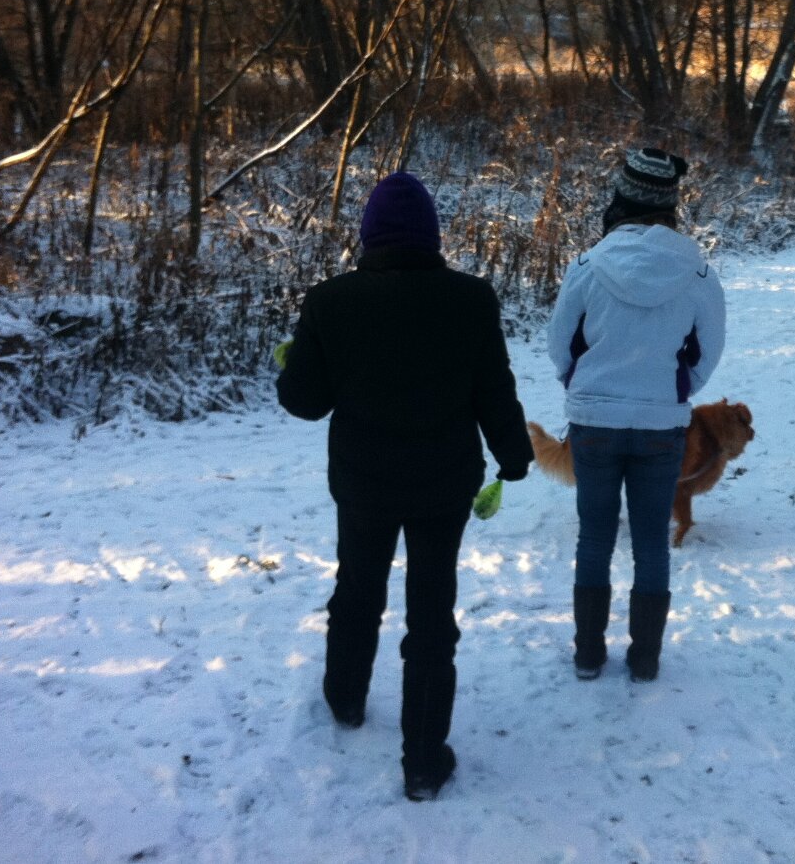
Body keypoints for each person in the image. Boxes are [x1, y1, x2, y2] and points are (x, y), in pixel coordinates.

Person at [277, 170, 533, 801]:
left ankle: (345, 699)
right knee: (431, 612)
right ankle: (422, 760)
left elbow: (305, 402)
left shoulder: (330, 301)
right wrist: (513, 455)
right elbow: (493, 388)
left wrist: (295, 362)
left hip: (363, 483)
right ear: (431, 236)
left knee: (357, 588)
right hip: (443, 485)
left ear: (369, 236)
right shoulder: (471, 299)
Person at [545, 147, 726, 681]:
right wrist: (674, 392)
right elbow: (707, 354)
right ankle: (645, 658)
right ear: (671, 205)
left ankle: (588, 655)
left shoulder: (587, 267)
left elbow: (560, 345)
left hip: (594, 424)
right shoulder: (698, 274)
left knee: (594, 538)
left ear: (620, 200)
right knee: (651, 541)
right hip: (661, 428)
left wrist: (584, 388)